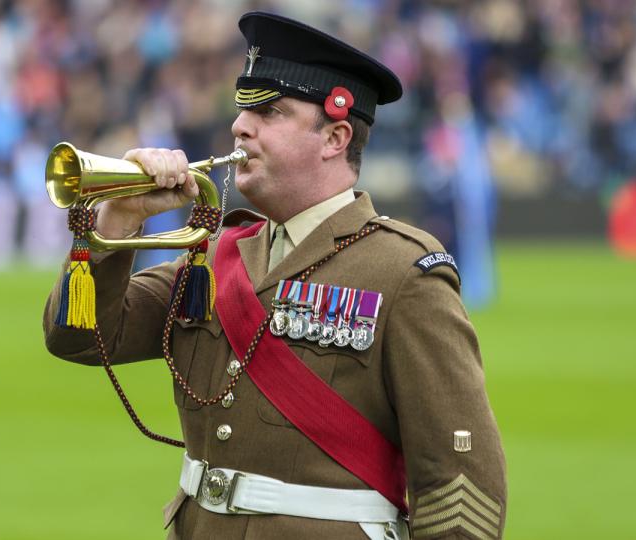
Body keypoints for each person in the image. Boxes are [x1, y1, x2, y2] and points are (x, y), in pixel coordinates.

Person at [44, 12, 506, 540]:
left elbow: (460, 483)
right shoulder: (213, 255)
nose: (241, 125)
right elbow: (78, 340)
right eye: (243, 111)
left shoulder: (403, 271)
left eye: (270, 112)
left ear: (334, 137)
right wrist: (118, 218)